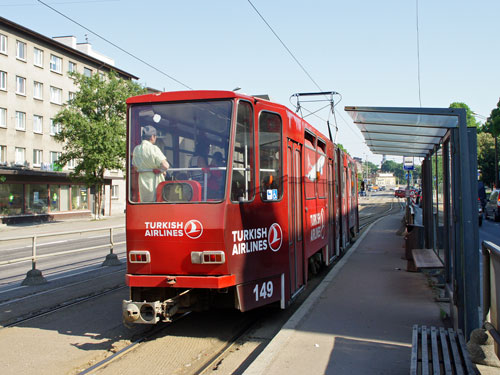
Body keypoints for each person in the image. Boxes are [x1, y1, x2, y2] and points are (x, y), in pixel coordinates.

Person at [132, 125, 170, 202]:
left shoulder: (136, 149)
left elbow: (135, 167)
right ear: (152, 137)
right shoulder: (154, 148)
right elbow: (165, 165)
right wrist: (161, 170)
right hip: (155, 185)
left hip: (143, 186)